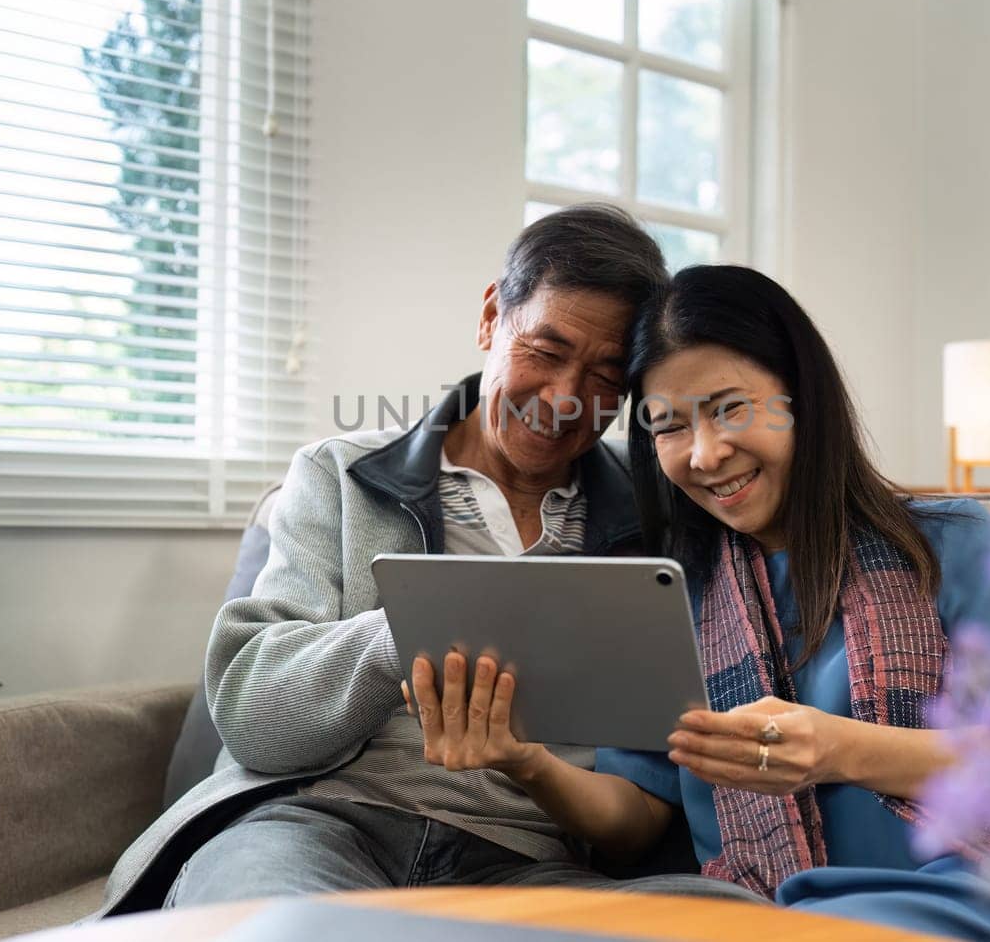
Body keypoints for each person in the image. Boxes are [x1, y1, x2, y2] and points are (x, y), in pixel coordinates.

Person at [92, 205, 760, 917]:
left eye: (604, 376)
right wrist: (414, 626)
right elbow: (253, 714)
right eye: (545, 349)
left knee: (728, 920)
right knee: (277, 923)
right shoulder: (341, 474)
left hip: (524, 863)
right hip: (318, 825)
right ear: (490, 318)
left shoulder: (655, 506)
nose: (567, 399)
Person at [404, 264, 990, 941]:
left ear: (800, 397)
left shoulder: (950, 544)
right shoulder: (673, 596)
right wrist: (524, 761)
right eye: (668, 426)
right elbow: (633, 817)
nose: (705, 453)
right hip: (752, 910)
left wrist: (837, 748)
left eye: (728, 407)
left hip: (966, 892)